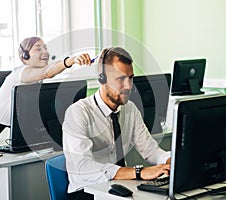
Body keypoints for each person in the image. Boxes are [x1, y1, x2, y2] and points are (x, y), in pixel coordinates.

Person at [62, 47, 171, 200]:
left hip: (120, 189)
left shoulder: (130, 109)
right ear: (102, 79)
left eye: (130, 78)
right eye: (121, 79)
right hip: (87, 192)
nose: (128, 86)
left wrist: (171, 162)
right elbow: (83, 168)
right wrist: (139, 172)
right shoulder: (78, 112)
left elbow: (150, 150)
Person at [0, 36, 92, 146]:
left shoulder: (36, 76)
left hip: (2, 134)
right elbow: (47, 72)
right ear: (25, 56)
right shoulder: (22, 72)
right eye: (38, 48)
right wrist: (72, 60)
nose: (45, 51)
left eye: (45, 47)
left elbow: (52, 67)